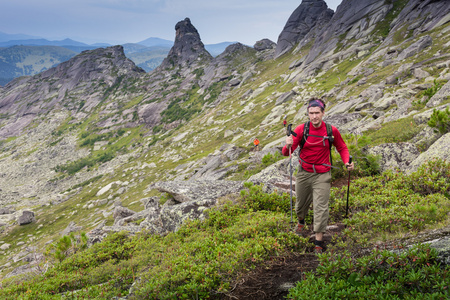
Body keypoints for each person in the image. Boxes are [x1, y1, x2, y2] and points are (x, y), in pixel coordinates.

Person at [282, 98, 354, 254]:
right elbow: (286, 152)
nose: (314, 116)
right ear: (308, 114)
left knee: (321, 208)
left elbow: (341, 147)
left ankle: (318, 242)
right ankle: (301, 222)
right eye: (311, 113)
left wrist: (347, 161)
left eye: (317, 113)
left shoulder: (331, 130)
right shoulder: (302, 129)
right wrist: (288, 144)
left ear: (323, 113)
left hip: (323, 173)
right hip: (304, 172)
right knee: (300, 205)